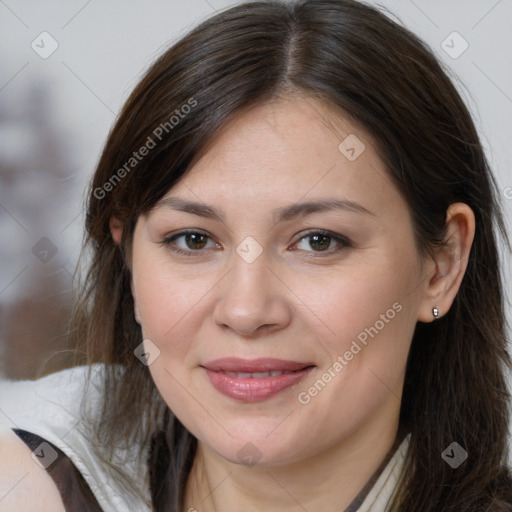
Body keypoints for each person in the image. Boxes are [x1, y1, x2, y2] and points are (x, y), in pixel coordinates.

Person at [1, 0, 511, 510]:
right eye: (193, 240)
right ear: (129, 260)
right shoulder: (33, 479)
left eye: (318, 241)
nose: (246, 311)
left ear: (441, 266)